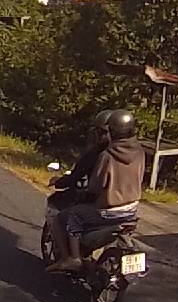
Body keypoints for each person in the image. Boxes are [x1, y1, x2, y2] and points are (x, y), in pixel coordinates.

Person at [47, 109, 145, 273]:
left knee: (69, 216)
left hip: (108, 210)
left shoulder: (107, 155)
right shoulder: (140, 151)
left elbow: (94, 187)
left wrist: (85, 194)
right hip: (131, 210)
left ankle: (72, 258)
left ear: (111, 131)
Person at [46, 109, 115, 215]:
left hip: (98, 203)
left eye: (101, 131)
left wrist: (59, 182)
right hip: (126, 208)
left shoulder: (98, 153)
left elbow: (76, 176)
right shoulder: (131, 153)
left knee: (61, 215)